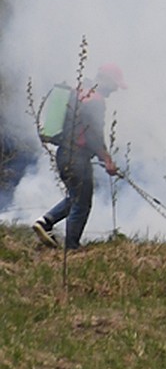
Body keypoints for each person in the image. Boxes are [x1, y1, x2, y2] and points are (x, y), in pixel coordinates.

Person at [32, 62, 127, 250]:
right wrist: (106, 160)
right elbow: (93, 134)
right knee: (82, 203)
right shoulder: (96, 100)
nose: (115, 89)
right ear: (106, 80)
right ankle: (72, 247)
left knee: (76, 197)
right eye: (115, 84)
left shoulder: (78, 92)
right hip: (77, 157)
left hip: (63, 154)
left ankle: (45, 222)